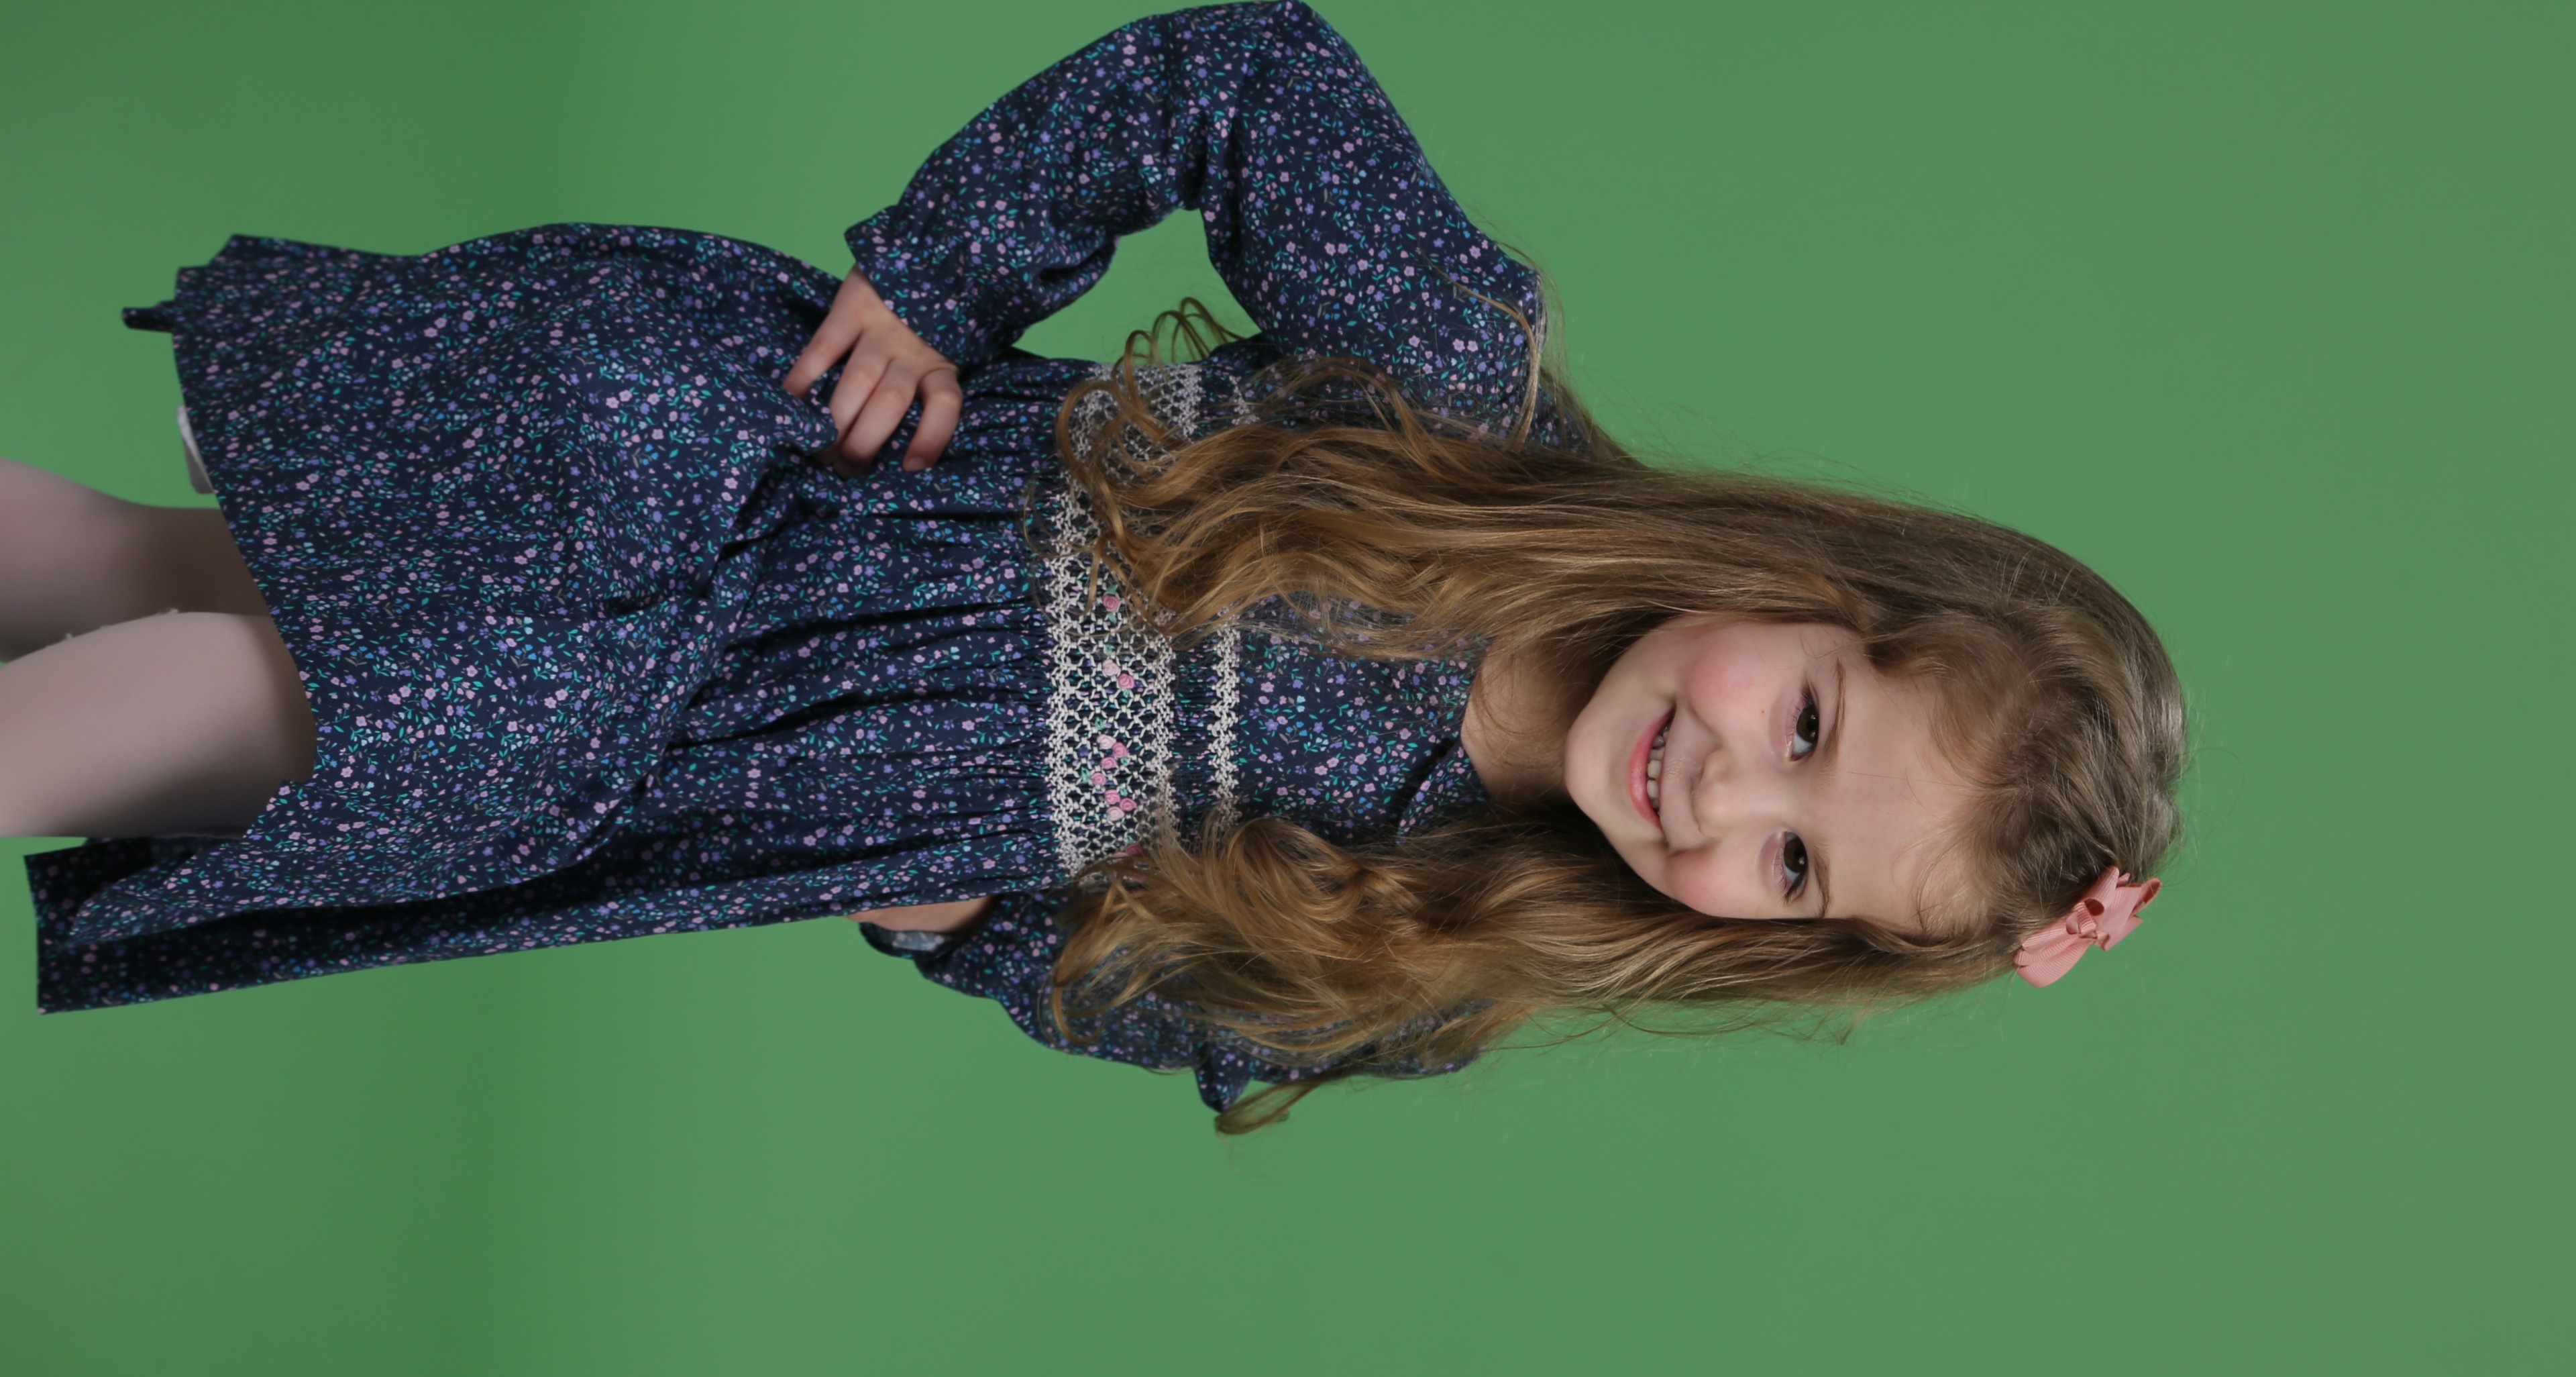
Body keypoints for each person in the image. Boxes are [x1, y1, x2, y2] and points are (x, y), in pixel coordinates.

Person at [3, 2, 2182, 1129]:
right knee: (284, 698)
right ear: (1815, 586)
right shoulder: (1451, 386)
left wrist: (979, 936)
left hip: (731, 767)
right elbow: (1242, 78)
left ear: (1783, 941)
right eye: (1800, 722)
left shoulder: (1435, 955)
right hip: (738, 489)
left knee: (166, 584)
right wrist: (947, 275)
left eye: (1791, 860)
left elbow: (1176, 1004)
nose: (1719, 791)